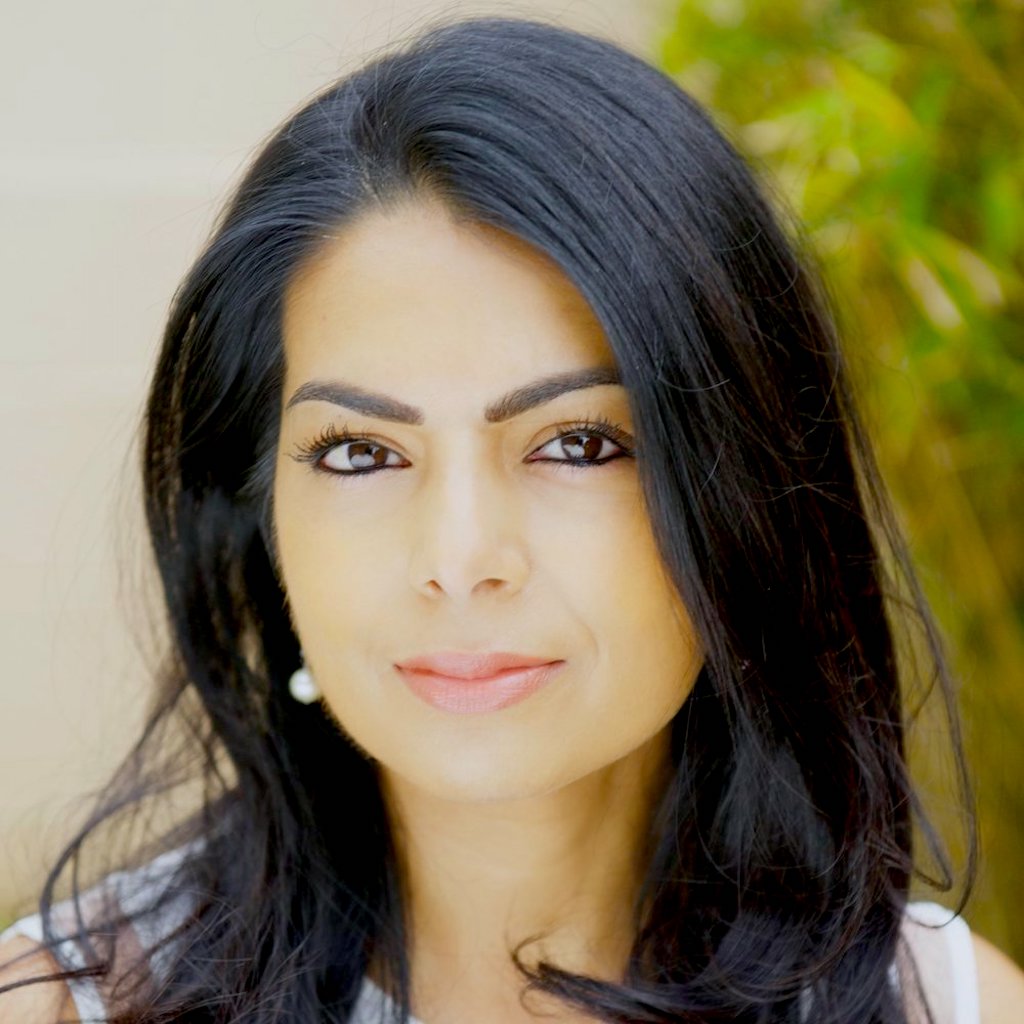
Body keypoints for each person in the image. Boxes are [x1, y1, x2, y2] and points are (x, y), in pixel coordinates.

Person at [2, 13, 1023, 1024]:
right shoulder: (71, 1007)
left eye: (576, 444)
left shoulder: (946, 1008)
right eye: (360, 453)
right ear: (259, 513)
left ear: (742, 488)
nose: (459, 558)